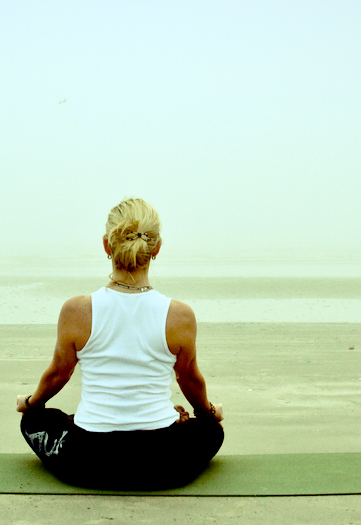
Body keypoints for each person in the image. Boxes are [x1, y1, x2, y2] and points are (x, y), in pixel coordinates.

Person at [16, 197, 224, 490]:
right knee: (211, 432)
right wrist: (208, 414)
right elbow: (190, 378)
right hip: (161, 463)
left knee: (34, 421)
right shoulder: (179, 315)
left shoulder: (77, 310)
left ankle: (83, 420)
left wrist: (29, 404)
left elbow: (58, 374)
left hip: (89, 461)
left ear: (106, 245)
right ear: (157, 247)